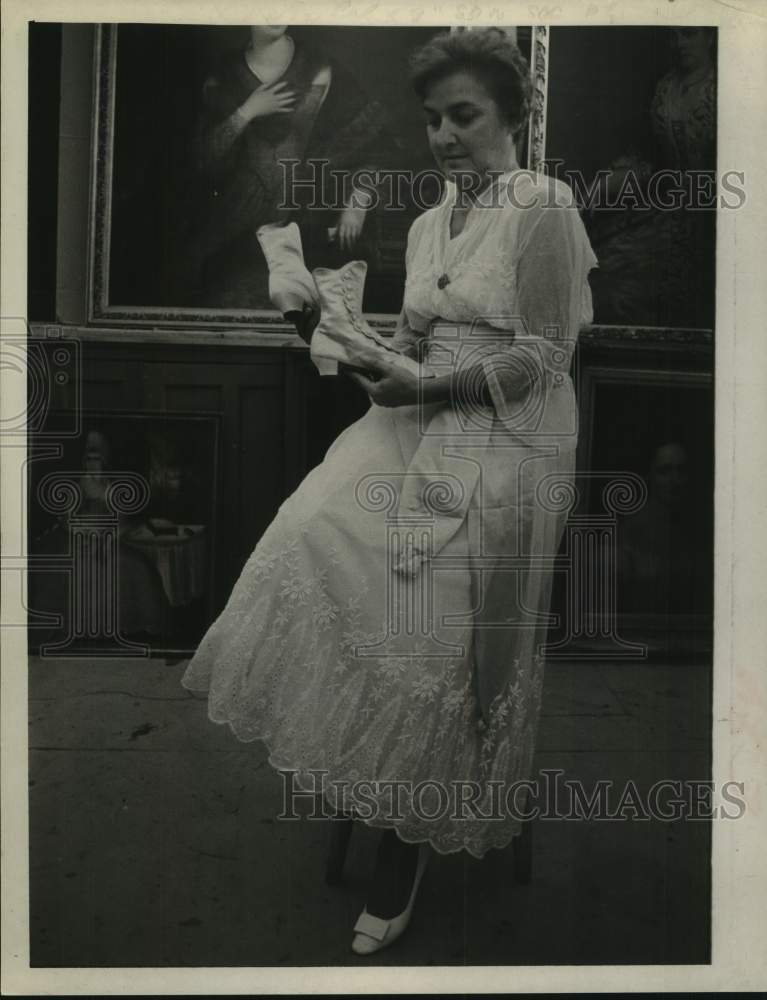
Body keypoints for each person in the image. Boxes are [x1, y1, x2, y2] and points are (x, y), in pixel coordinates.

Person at [181, 28, 598, 954]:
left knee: (435, 620)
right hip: (421, 415)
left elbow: (544, 356)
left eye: (465, 115)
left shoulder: (543, 206)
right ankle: (371, 766)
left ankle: (402, 854)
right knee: (312, 526)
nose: (445, 136)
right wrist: (332, 334)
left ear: (512, 115)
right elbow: (406, 348)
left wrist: (428, 388)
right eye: (433, 120)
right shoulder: (426, 219)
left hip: (507, 433)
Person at [172, 25, 394, 308]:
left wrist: (357, 203)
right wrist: (247, 111)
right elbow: (202, 159)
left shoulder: (320, 67)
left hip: (308, 222)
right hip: (236, 225)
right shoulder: (223, 75)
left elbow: (371, 146)